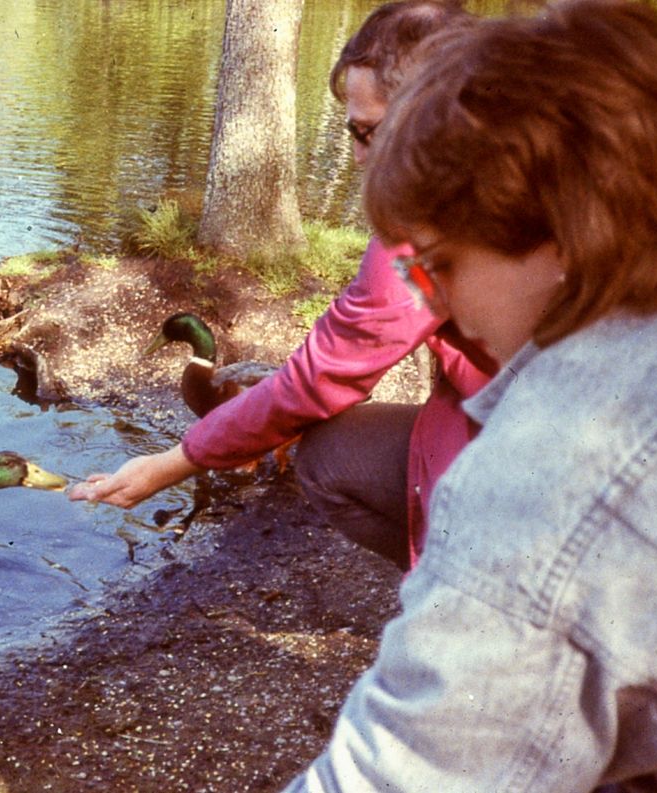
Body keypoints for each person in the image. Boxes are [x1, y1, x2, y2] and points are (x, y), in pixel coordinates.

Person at [284, 0, 657, 789]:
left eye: (439, 265)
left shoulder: (551, 482)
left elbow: (387, 777)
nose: (436, 299)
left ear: (561, 230)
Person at [69, 0, 490, 572]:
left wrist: (168, 465)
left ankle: (452, 586)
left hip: (523, 446)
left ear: (436, 117)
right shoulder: (546, 165)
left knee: (328, 456)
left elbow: (322, 376)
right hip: (545, 427)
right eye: (352, 134)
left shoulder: (422, 228)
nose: (359, 157)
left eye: (369, 133)